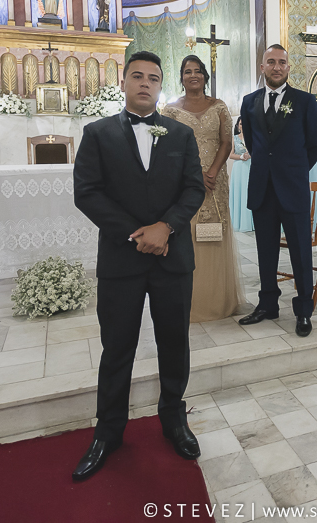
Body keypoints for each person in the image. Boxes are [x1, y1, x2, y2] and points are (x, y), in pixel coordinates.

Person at [72, 51, 206, 479]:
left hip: (172, 257)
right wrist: (136, 234)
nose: (145, 83)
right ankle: (108, 431)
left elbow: (194, 188)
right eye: (137, 76)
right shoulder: (97, 134)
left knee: (174, 342)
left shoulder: (181, 135)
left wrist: (166, 227)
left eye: (153, 77)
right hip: (121, 259)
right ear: (123, 82)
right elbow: (87, 192)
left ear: (161, 85)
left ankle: (174, 419)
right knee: (117, 347)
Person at [238, 45, 317, 338]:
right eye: (271, 62)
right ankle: (267, 305)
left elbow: (316, 144)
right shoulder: (249, 102)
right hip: (262, 187)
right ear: (262, 66)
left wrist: (295, 171)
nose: (277, 67)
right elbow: (252, 142)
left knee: (300, 252)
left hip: (293, 188)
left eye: (282, 62)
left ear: (289, 67)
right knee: (265, 251)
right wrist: (268, 168)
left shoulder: (305, 101)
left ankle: (303, 311)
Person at [162, 56, 243, 322]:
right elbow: (167, 148)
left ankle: (217, 301)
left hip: (215, 181)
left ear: (205, 76)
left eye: (198, 71)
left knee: (215, 232)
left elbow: (226, 142)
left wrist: (212, 172)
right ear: (181, 77)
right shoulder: (170, 110)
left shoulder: (218, 106)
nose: (193, 75)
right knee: (189, 234)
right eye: (188, 71)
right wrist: (196, 175)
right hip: (184, 181)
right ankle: (191, 300)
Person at [228, 119, 254, 232]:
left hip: (251, 166)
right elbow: (231, 155)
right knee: (240, 192)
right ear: (238, 126)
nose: (242, 125)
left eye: (244, 123)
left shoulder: (253, 137)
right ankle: (240, 222)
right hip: (239, 168)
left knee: (250, 192)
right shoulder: (234, 138)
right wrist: (241, 157)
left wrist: (251, 155)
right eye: (241, 123)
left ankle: (252, 222)